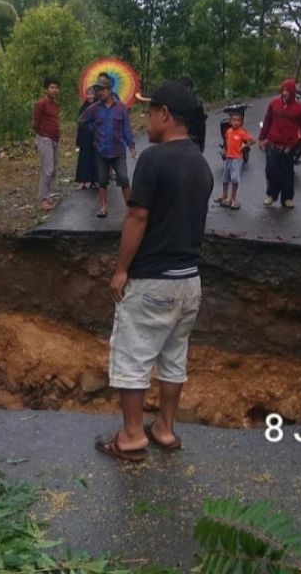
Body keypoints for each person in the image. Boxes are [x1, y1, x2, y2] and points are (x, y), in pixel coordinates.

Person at [96, 81, 214, 462]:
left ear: (166, 115)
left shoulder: (153, 159)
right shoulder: (200, 162)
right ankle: (165, 428)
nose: (147, 119)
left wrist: (121, 269)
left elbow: (138, 215)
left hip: (152, 280)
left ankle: (131, 436)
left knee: (132, 356)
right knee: (173, 358)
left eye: (151, 111)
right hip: (189, 282)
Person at [79, 73, 136, 218]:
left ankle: (130, 209)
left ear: (110, 90)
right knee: (102, 180)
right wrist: (93, 128)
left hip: (118, 150)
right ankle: (104, 207)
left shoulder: (121, 108)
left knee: (123, 178)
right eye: (98, 89)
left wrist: (131, 146)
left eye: (103, 89)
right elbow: (82, 120)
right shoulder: (95, 108)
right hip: (101, 150)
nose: (100, 92)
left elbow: (126, 129)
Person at [258, 78, 301, 208]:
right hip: (272, 145)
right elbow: (267, 120)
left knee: (287, 173)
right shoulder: (274, 104)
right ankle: (271, 195)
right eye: (283, 90)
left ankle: (287, 198)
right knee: (272, 171)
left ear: (292, 92)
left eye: (287, 90)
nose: (285, 93)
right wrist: (261, 138)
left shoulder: (299, 109)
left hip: (288, 147)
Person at [33, 76, 62, 211]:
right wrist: (39, 138)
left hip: (55, 139)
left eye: (56, 87)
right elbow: (35, 122)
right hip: (45, 138)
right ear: (46, 89)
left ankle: (48, 195)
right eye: (52, 87)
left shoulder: (55, 105)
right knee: (47, 169)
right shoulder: (41, 104)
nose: (54, 90)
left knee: (53, 170)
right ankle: (43, 199)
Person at [217, 110, 253, 209]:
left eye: (238, 120)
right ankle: (224, 195)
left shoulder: (242, 132)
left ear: (241, 122)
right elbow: (226, 142)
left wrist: (244, 146)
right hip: (228, 157)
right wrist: (225, 151)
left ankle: (233, 198)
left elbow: (252, 141)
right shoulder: (228, 131)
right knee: (225, 178)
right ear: (230, 122)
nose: (236, 122)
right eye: (234, 120)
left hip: (237, 159)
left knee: (234, 179)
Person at [74, 85, 99, 189]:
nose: (90, 96)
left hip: (95, 136)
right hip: (85, 137)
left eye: (92, 94)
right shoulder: (83, 107)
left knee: (95, 159)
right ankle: (82, 182)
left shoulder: (98, 107)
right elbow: (80, 124)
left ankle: (95, 181)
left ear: (95, 95)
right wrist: (78, 140)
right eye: (88, 94)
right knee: (83, 158)